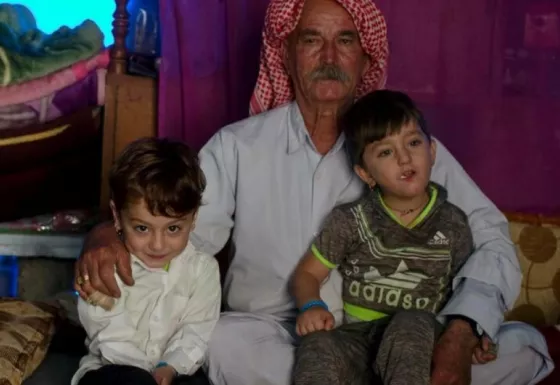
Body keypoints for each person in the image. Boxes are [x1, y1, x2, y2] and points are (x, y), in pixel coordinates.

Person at [75, 1, 553, 385]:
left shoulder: (411, 150)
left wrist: (461, 331)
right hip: (283, 339)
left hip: (408, 337)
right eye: (312, 40)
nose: (329, 57)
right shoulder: (237, 146)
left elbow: (489, 235)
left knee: (523, 346)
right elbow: (176, 236)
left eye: (345, 40)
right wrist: (107, 232)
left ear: (366, 57)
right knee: (222, 343)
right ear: (285, 54)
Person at [291, 89, 497, 385]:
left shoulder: (453, 224)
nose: (404, 158)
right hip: (360, 339)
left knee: (410, 321)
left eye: (413, 143)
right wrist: (311, 305)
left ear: (433, 151)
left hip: (421, 341)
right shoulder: (352, 220)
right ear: (365, 173)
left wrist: (475, 337)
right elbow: (307, 273)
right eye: (385, 152)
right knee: (317, 344)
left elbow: (465, 291)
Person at [72, 138, 220, 385]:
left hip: (174, 372)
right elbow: (105, 333)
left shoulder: (202, 270)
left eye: (173, 229)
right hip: (112, 369)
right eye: (142, 228)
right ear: (118, 217)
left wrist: (170, 366)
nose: (158, 245)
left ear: (193, 219)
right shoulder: (109, 266)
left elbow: (197, 330)